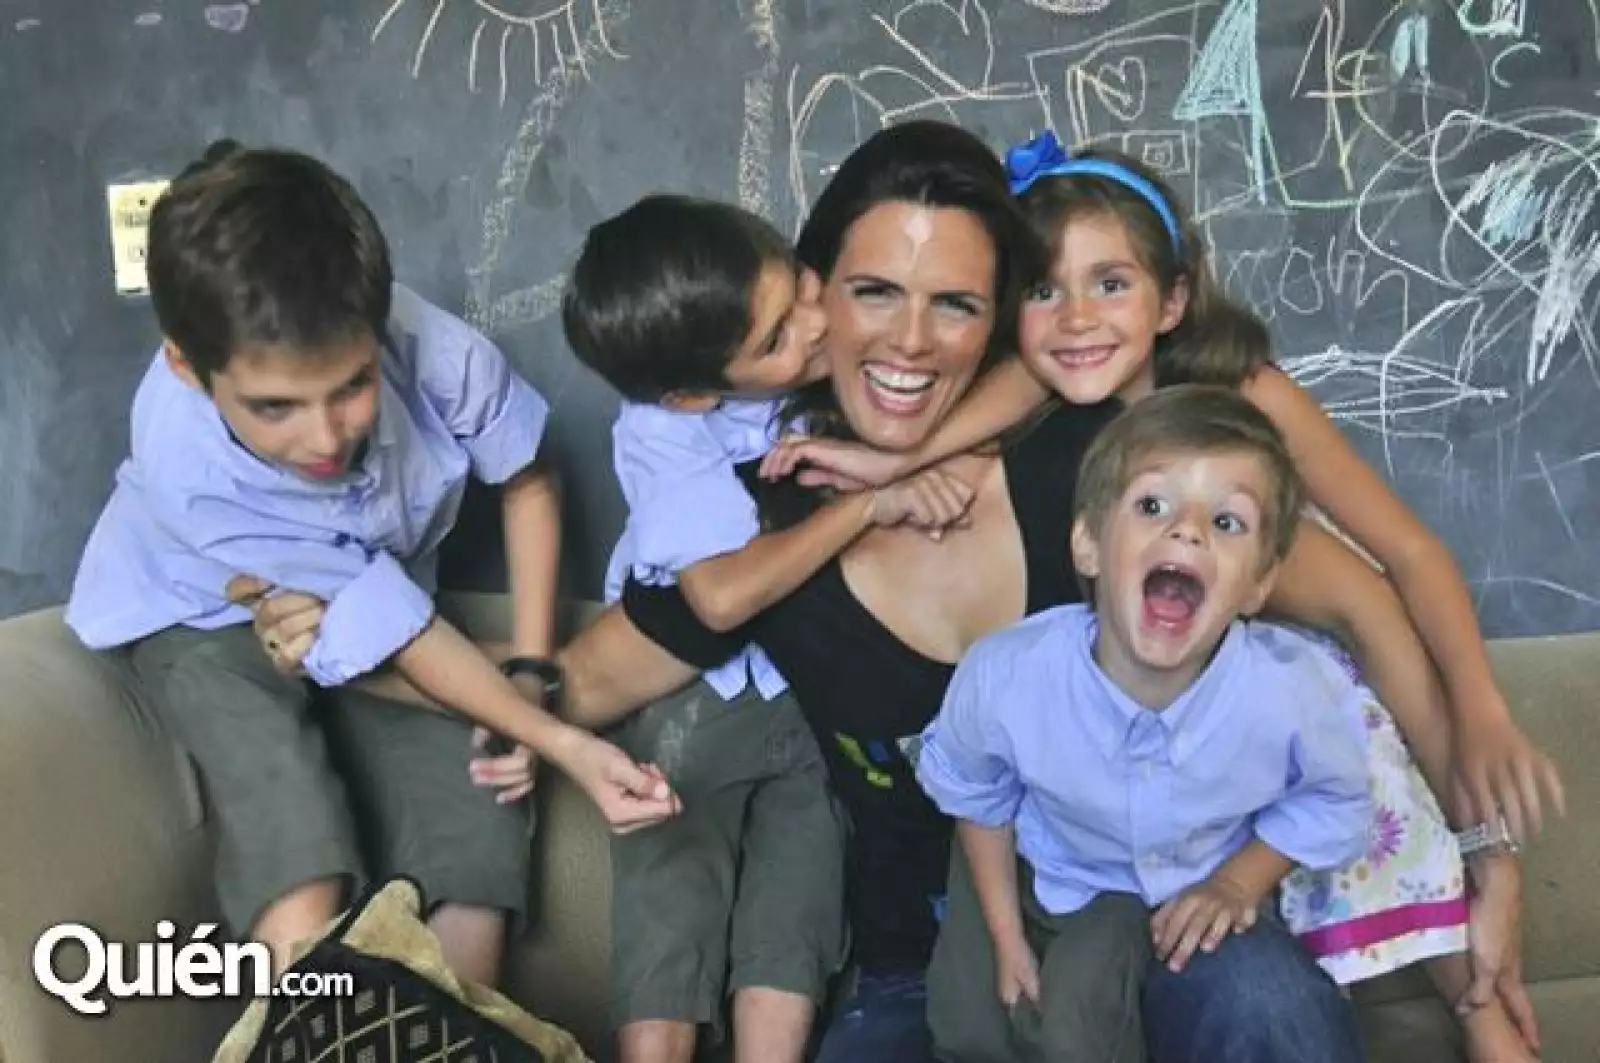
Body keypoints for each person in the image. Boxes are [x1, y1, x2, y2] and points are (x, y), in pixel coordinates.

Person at [521, 120, 1488, 1061]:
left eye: (955, 304)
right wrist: (442, 678)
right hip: (919, 974)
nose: (911, 340)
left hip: (1161, 935)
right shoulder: (762, 524)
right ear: (813, 299)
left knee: (1261, 999)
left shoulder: (1106, 470)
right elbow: (573, 683)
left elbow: (1357, 600)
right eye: (873, 292)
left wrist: (1488, 849)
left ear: (998, 321)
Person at [759, 130, 1555, 1060]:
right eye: (1042, 291)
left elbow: (1382, 586)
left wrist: (1485, 789)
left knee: (1342, 737)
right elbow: (1007, 390)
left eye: (1111, 283)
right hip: (1103, 841)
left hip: (1285, 702)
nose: (1075, 318)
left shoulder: (1229, 407)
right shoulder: (1049, 417)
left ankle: (1481, 1004)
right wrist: (894, 466)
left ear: (1172, 298)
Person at [63, 141, 676, 985]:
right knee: (295, 835)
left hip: (387, 617)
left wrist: (531, 676)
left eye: (351, 387)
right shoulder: (186, 462)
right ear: (187, 368)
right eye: (275, 406)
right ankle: (301, 1028)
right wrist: (564, 739)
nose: (325, 437)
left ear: (379, 328)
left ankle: (454, 1032)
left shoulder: (433, 349)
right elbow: (401, 638)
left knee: (480, 813)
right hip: (209, 620)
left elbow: (529, 479)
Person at [559, 194, 972, 1063]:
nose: (818, 324)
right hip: (694, 700)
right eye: (778, 336)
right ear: (692, 392)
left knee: (799, 903)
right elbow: (720, 598)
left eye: (805, 286)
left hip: (808, 697)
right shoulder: (660, 429)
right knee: (672, 904)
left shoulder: (841, 372)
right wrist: (867, 505)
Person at [917, 385, 1372, 1062]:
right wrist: (1005, 938)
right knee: (982, 1029)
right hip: (1054, 876)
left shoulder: (1288, 693)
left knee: (1258, 1008)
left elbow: (1333, 799)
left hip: (1194, 899)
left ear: (1258, 585)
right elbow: (977, 796)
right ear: (1089, 544)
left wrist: (1238, 882)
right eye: (1153, 506)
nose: (1188, 530)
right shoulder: (1008, 675)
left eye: (1227, 522)